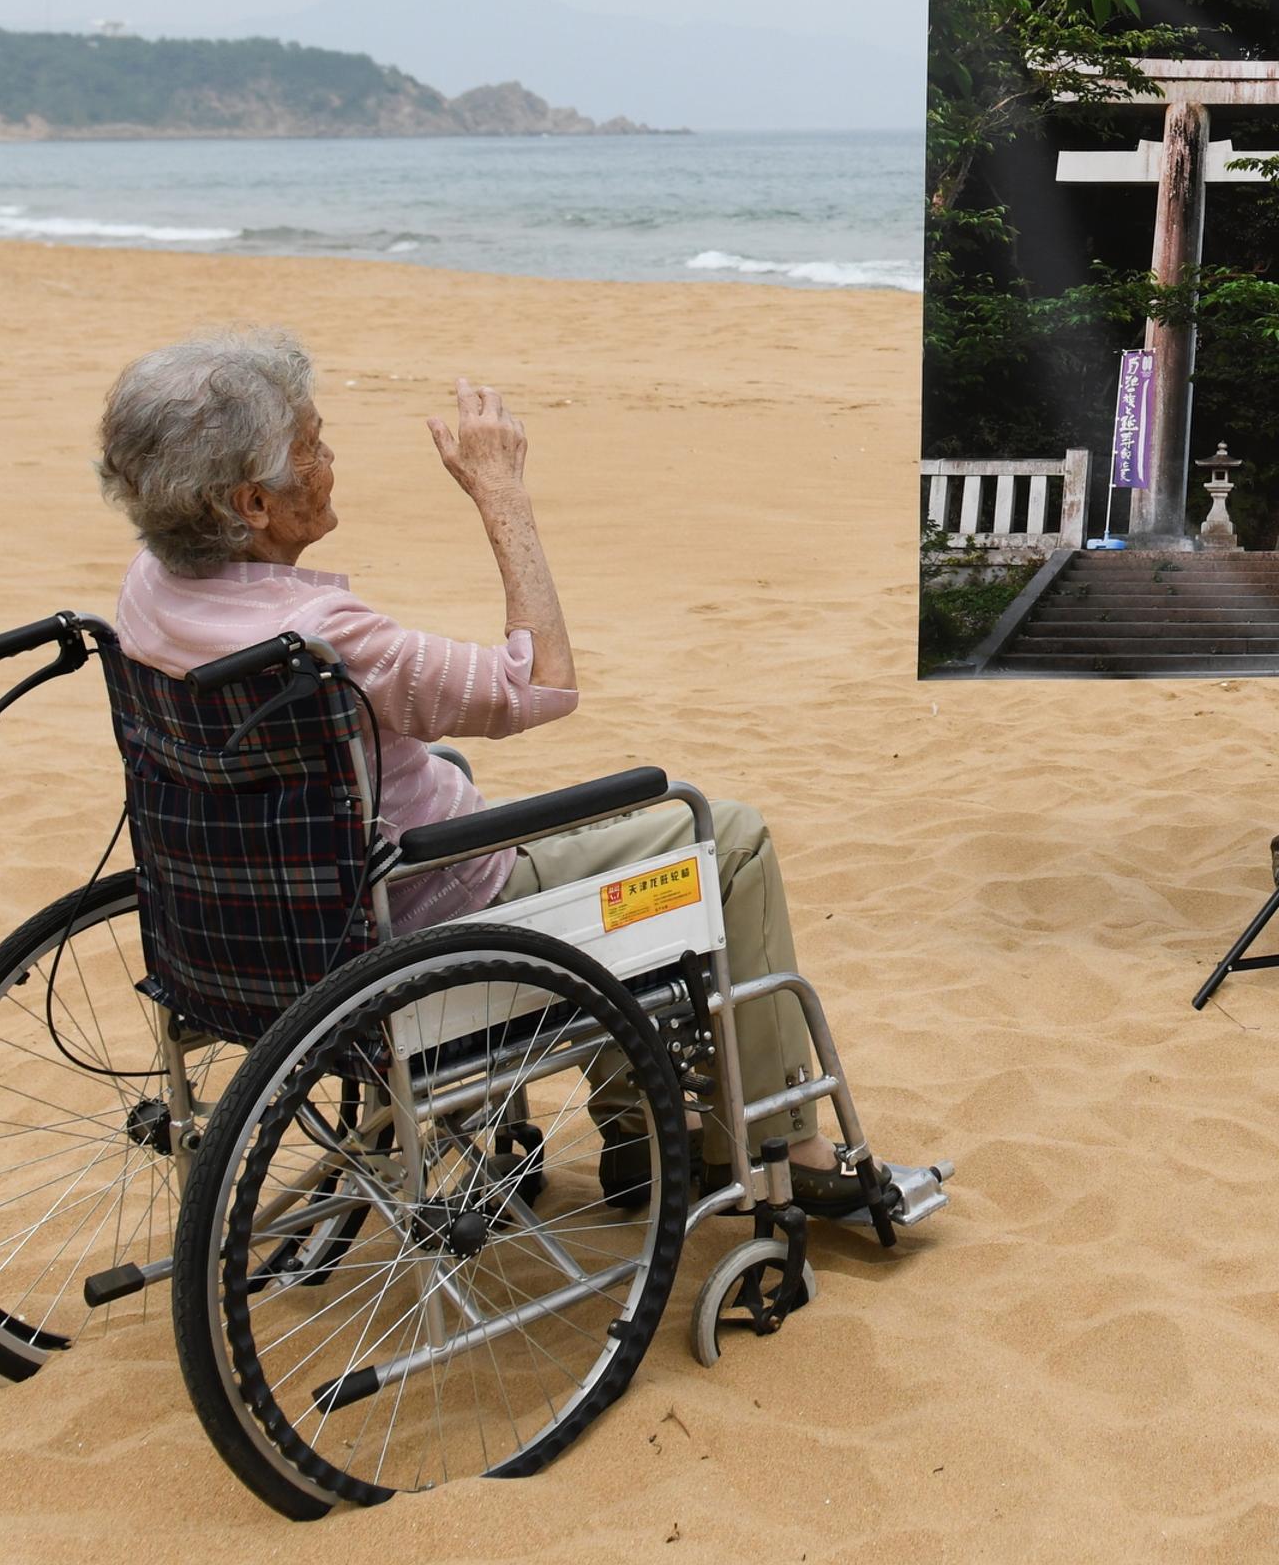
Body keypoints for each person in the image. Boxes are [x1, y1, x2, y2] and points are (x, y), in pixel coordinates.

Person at [93, 327, 905, 1210]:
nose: (330, 458)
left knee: (474, 777)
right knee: (723, 834)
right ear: (253, 503)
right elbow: (541, 687)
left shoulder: (150, 588)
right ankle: (781, 1149)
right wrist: (501, 495)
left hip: (244, 921)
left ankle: (639, 1121)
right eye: (312, 446)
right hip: (419, 920)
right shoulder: (329, 643)